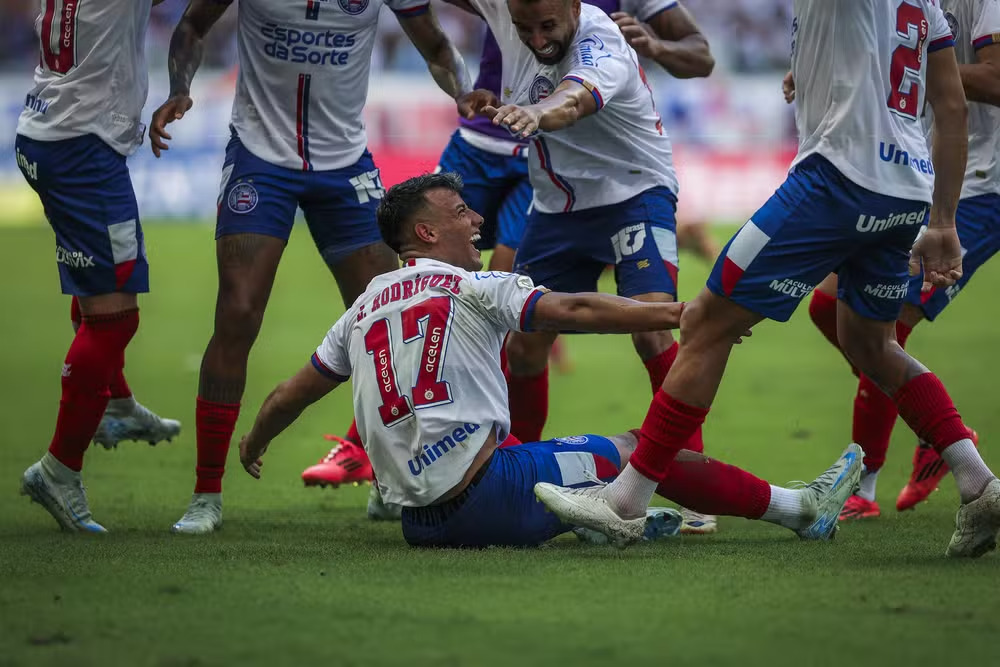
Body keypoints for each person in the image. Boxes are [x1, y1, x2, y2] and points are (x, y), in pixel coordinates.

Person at [535, 0, 1000, 558]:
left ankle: (624, 501)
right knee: (870, 342)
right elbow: (951, 105)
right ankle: (977, 482)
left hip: (834, 181)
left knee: (706, 322)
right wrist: (943, 220)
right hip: (906, 190)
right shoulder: (928, 5)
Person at [236, 173, 862, 548]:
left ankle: (620, 514)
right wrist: (680, 314)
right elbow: (579, 311)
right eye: (460, 214)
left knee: (553, 461)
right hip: (489, 499)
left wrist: (255, 442)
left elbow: (286, 395)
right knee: (644, 449)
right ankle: (799, 509)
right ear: (425, 234)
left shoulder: (364, 306)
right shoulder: (472, 288)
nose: (476, 220)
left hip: (419, 524)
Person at [300, 0, 721, 536]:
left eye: (548, 26)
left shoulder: (602, 37)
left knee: (652, 326)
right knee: (523, 344)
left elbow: (572, 100)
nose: (537, 39)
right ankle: (509, 470)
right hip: (555, 203)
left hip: (632, 189)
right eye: (524, 29)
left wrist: (537, 112)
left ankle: (695, 489)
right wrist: (486, 94)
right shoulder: (505, 8)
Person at [149, 0, 476, 534]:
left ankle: (389, 477)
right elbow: (191, 24)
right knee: (237, 313)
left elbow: (437, 45)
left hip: (344, 163)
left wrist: (463, 92)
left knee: (393, 322)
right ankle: (205, 493)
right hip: (261, 158)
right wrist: (179, 88)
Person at [800, 0, 1000, 520]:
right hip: (925, 173)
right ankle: (938, 428)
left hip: (985, 188)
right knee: (827, 309)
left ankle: (863, 490)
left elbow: (997, 81)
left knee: (887, 329)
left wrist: (911, 62)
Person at [16, 0, 181, 533]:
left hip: (51, 129)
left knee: (97, 284)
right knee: (115, 316)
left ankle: (117, 402)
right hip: (82, 146)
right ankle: (59, 469)